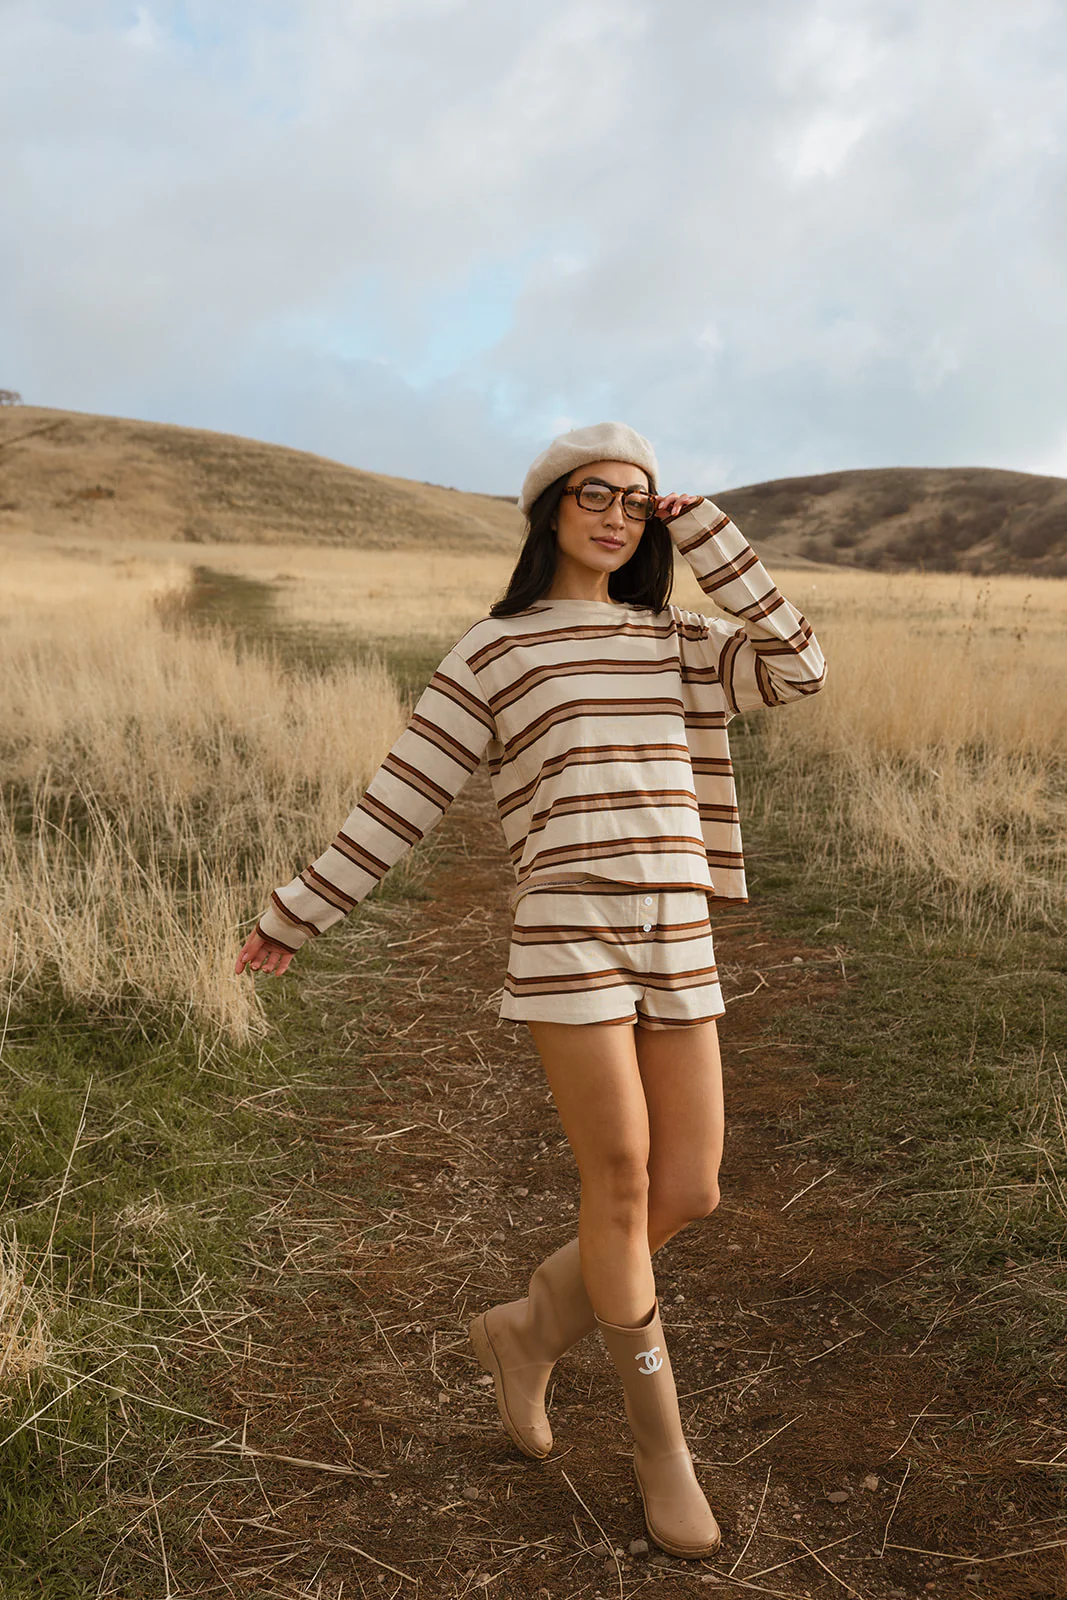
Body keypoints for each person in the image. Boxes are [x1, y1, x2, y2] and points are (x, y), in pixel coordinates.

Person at [236, 421, 826, 1560]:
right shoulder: (496, 651)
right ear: (548, 507)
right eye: (592, 493)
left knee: (691, 1188)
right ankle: (662, 1449)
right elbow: (399, 798)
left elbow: (801, 665)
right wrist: (298, 910)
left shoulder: (677, 639)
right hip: (568, 937)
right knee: (615, 1183)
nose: (614, 513)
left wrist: (707, 534)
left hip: (678, 929)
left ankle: (527, 1327)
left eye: (636, 499)